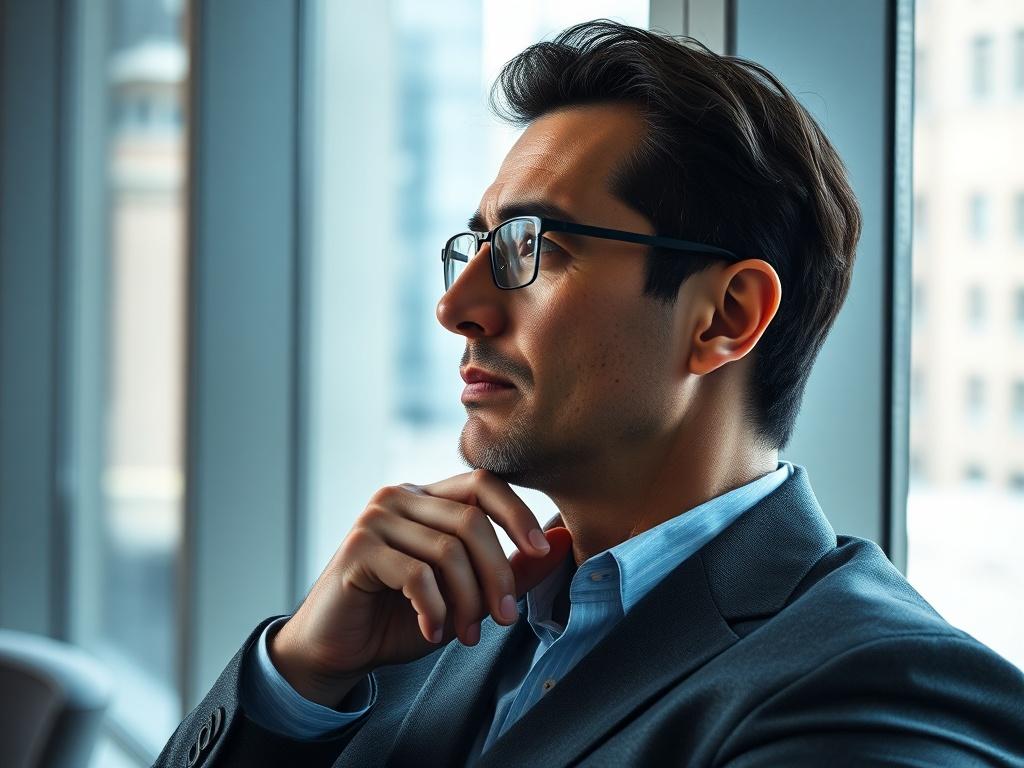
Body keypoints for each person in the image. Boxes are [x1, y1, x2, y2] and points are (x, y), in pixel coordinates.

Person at [156, 20, 1024, 768]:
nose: (458, 307)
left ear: (726, 316)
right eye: (478, 246)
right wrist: (300, 675)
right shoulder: (419, 622)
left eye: (534, 247)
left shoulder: (887, 689)